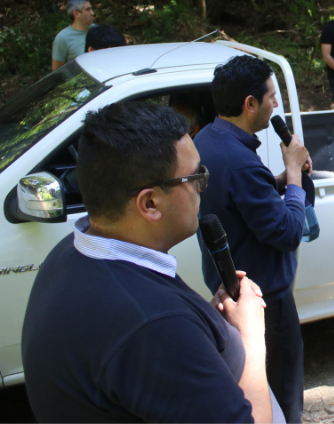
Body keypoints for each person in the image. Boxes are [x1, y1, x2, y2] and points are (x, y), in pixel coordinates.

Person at [21, 102, 279, 423]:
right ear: (150, 203)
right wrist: (251, 337)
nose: (201, 186)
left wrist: (201, 327)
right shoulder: (154, 326)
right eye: (196, 176)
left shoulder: (70, 253)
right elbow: (155, 333)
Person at [194, 56, 312, 423]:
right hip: (265, 303)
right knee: (282, 391)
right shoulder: (240, 161)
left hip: (230, 293)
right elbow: (288, 232)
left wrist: (276, 182)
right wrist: (294, 173)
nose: (275, 105)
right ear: (250, 104)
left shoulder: (207, 139)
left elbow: (241, 202)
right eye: (271, 97)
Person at [52, 0, 96, 70]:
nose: (92, 13)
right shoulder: (63, 38)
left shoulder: (98, 30)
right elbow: (57, 72)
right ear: (76, 14)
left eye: (91, 9)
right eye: (88, 10)